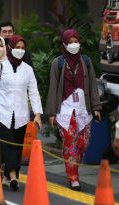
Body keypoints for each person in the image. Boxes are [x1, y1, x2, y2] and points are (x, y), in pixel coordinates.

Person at [45, 29, 102, 191]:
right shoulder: (58, 63)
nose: (73, 45)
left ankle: (74, 167)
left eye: (75, 41)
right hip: (65, 111)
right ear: (64, 44)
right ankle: (73, 177)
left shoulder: (86, 61)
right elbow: (53, 88)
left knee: (83, 143)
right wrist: (51, 113)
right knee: (70, 143)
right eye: (70, 42)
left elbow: (92, 85)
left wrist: (96, 107)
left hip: (83, 109)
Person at [0, 35, 43, 191]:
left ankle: (7, 175)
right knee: (8, 144)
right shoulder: (0, 67)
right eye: (17, 47)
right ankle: (14, 176)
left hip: (21, 115)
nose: (20, 50)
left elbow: (34, 92)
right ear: (9, 48)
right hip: (1, 113)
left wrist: (37, 113)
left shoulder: (28, 69)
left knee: (17, 147)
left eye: (23, 48)